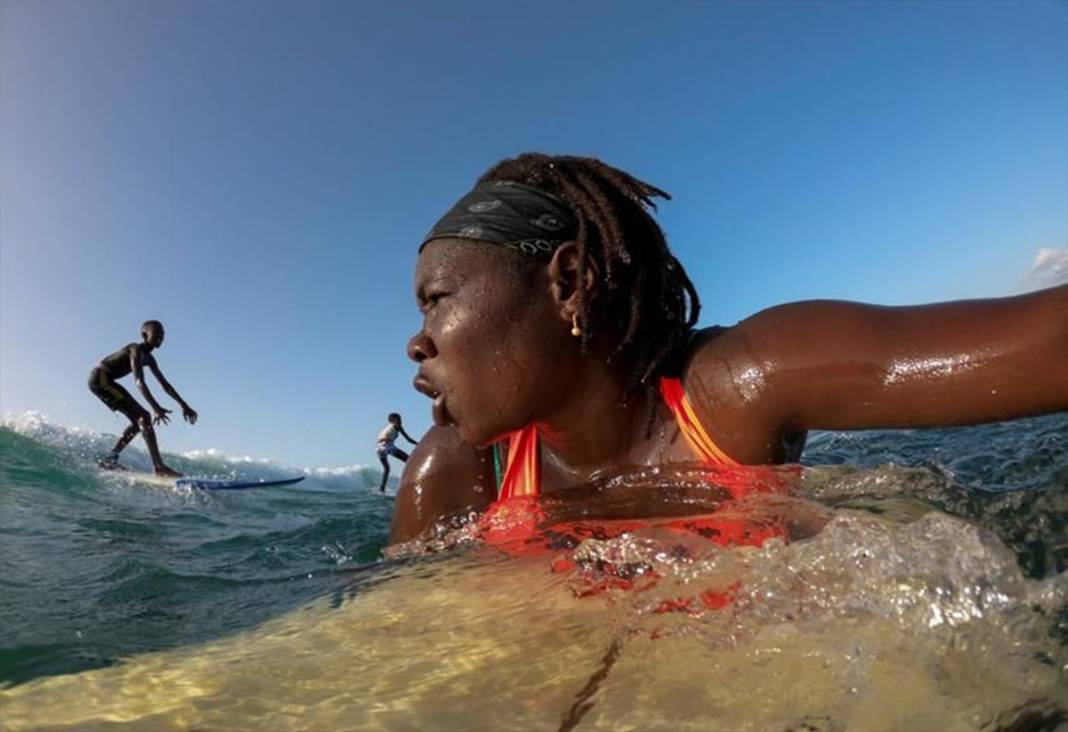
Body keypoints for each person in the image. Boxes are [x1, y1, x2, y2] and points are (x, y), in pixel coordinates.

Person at [389, 153, 1067, 545]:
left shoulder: (732, 390)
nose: (417, 341)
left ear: (569, 283)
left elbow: (1049, 340)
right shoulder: (455, 476)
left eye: (437, 299)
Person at [89, 320, 197, 476]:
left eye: (163, 334)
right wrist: (156, 408)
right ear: (144, 335)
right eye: (156, 333)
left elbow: (165, 385)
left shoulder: (149, 359)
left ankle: (110, 459)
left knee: (138, 420)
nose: (160, 336)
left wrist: (184, 405)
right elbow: (139, 381)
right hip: (100, 379)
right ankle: (159, 467)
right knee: (143, 416)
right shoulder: (135, 349)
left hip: (108, 380)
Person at [376, 413, 418, 493]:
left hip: (378, 448)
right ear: (393, 420)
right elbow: (408, 439)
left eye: (400, 419)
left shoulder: (388, 427)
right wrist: (419, 444)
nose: (401, 421)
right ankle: (410, 483)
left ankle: (382, 489)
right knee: (409, 461)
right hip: (387, 446)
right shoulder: (397, 426)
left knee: (387, 469)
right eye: (398, 419)